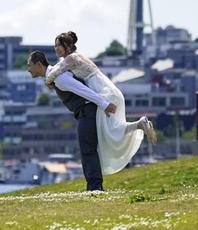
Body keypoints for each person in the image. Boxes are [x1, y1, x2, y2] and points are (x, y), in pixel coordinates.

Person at [45, 31, 157, 176]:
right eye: (55, 46)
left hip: (104, 93)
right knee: (112, 131)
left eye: (59, 45)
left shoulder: (72, 58)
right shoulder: (77, 56)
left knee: (108, 133)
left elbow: (56, 71)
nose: (56, 48)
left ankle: (94, 178)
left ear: (68, 45)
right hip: (108, 90)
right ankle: (139, 124)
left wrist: (48, 81)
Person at [27, 51, 115, 191]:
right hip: (84, 112)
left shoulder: (59, 78)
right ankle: (94, 186)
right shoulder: (54, 77)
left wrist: (104, 104)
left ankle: (95, 187)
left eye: (29, 65)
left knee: (88, 149)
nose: (28, 69)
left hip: (87, 110)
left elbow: (83, 90)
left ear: (38, 64)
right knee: (87, 149)